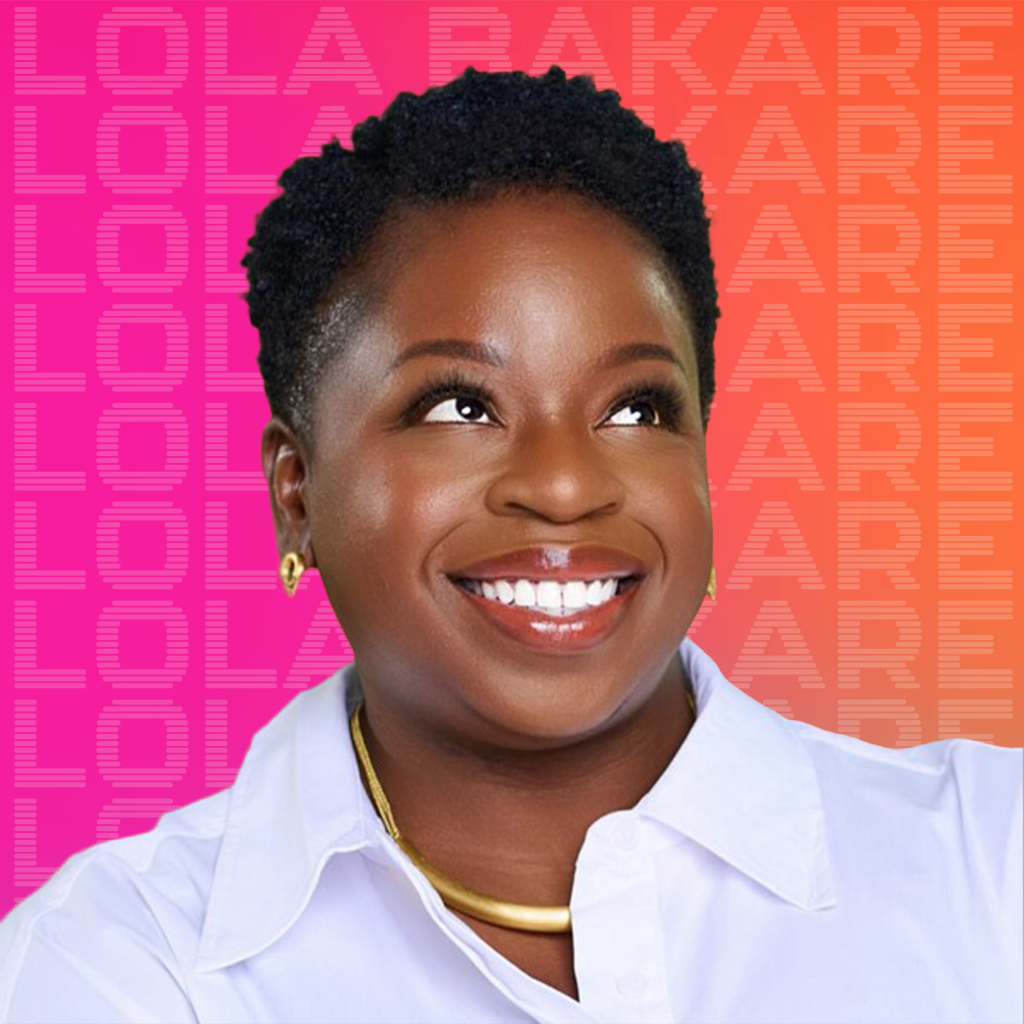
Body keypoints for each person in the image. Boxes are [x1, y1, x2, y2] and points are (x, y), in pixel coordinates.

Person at [1, 65, 1021, 1024]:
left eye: (636, 408)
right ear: (296, 493)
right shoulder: (118, 961)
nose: (565, 485)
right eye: (458, 406)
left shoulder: (987, 857)